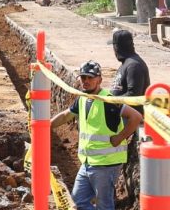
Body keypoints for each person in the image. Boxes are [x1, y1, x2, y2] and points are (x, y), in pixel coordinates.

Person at [51, 60, 142, 210]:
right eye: (83, 77)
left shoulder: (108, 100)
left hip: (106, 165)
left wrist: (120, 137)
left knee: (104, 206)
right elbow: (66, 115)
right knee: (78, 202)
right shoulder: (82, 97)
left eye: (90, 78)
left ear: (99, 79)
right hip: (87, 162)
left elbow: (136, 117)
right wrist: (46, 125)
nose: (86, 81)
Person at [109, 29, 150, 204]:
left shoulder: (134, 66)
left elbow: (134, 95)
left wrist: (113, 102)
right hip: (119, 116)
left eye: (114, 47)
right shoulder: (127, 63)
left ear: (117, 48)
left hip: (129, 119)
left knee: (110, 160)